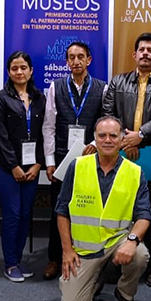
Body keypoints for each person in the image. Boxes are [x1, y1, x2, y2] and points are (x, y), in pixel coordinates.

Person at [101, 32, 151, 287]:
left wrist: (142, 135)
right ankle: (117, 263)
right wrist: (127, 138)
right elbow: (107, 113)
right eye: (142, 49)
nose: (146, 53)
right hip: (122, 154)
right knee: (121, 210)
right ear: (134, 54)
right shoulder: (118, 82)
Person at [57, 116, 151, 301]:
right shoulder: (77, 166)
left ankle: (125, 294)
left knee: (140, 255)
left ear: (122, 139)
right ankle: (96, 277)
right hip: (85, 247)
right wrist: (66, 249)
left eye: (113, 136)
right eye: (102, 136)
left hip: (118, 239)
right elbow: (62, 210)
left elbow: (144, 215)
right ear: (95, 138)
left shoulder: (135, 172)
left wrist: (132, 241)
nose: (107, 140)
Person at [41, 41, 106, 280]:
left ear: (89, 60)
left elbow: (106, 123)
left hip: (91, 158)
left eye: (81, 57)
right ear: (66, 61)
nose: (76, 61)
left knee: (87, 207)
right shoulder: (55, 87)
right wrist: (49, 161)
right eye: (71, 57)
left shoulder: (102, 88)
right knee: (58, 208)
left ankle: (88, 257)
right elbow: (48, 126)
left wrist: (96, 145)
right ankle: (54, 258)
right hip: (61, 158)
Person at [0, 51, 46, 282]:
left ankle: (18, 258)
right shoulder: (3, 98)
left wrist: (38, 164)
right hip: (5, 167)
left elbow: (45, 133)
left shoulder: (40, 98)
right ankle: (10, 263)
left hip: (31, 167)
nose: (19, 72)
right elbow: (0, 135)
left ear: (31, 70)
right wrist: (13, 166)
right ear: (9, 71)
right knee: (12, 215)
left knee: (25, 215)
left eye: (23, 67)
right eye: (14, 68)